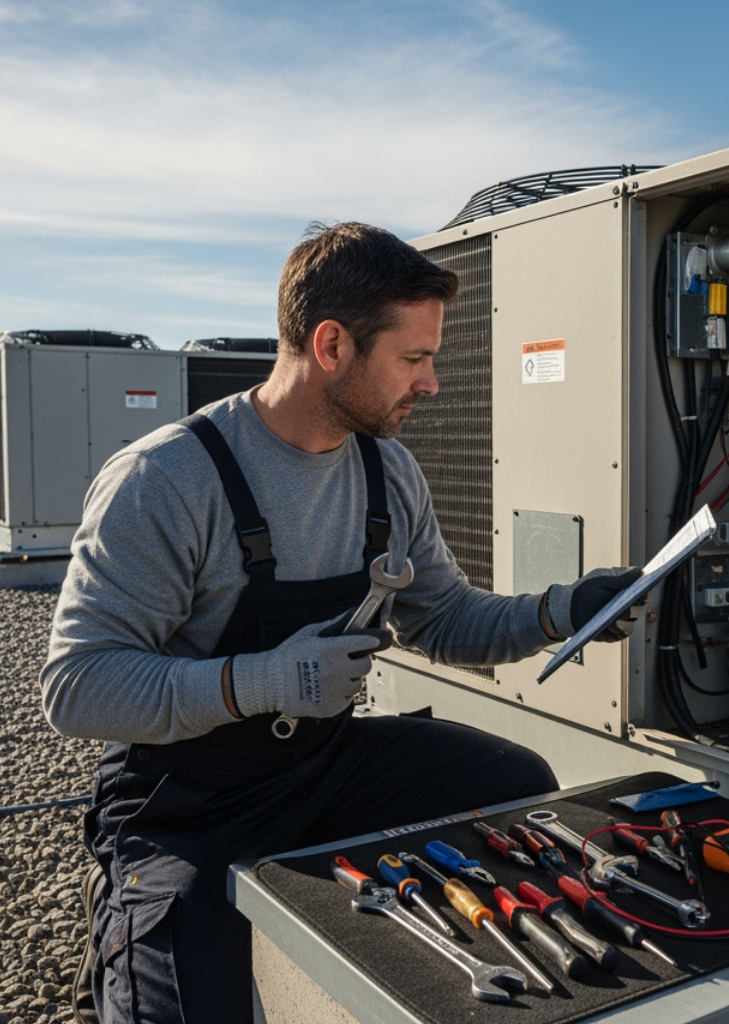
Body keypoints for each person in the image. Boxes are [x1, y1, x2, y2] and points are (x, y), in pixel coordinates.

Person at [40, 221, 641, 1024]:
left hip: (323, 765)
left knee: (515, 786)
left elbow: (446, 620)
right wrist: (261, 680)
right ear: (331, 345)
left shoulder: (385, 468)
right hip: (187, 800)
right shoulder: (167, 478)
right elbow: (76, 688)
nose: (430, 384)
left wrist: (559, 610)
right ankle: (125, 903)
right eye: (415, 359)